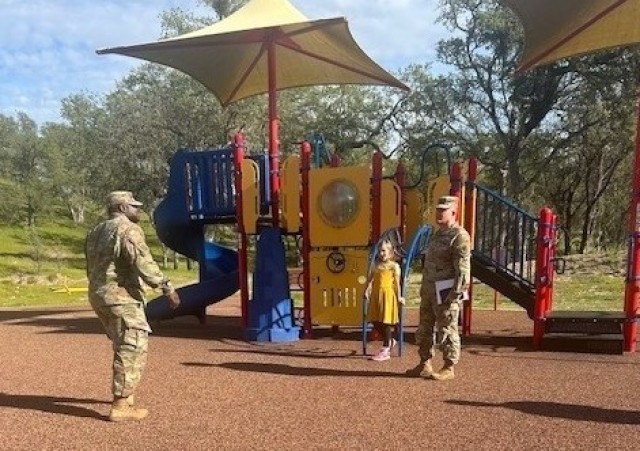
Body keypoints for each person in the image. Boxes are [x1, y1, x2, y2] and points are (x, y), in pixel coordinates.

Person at [85, 191, 181, 422]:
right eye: (133, 206)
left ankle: (125, 397)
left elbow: (91, 266)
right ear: (122, 208)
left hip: (99, 294)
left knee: (122, 344)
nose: (137, 210)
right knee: (132, 346)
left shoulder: (95, 232)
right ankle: (121, 405)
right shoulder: (128, 229)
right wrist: (167, 287)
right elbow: (142, 262)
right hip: (121, 296)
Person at [406, 195, 471, 380]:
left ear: (453, 212)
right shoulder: (437, 234)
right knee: (424, 328)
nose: (439, 213)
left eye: (443, 210)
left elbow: (463, 270)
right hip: (429, 290)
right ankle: (424, 363)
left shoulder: (459, 236)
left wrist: (455, 294)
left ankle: (448, 367)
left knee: (447, 329)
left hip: (446, 290)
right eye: (438, 210)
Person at [365, 239, 405, 361]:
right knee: (374, 319)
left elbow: (397, 284)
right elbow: (370, 279)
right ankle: (390, 340)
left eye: (384, 251)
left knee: (386, 321)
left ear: (390, 252)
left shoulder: (394, 266)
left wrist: (399, 296)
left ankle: (386, 349)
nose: (381, 253)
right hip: (377, 295)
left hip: (387, 295)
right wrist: (366, 290)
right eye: (380, 251)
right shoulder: (376, 265)